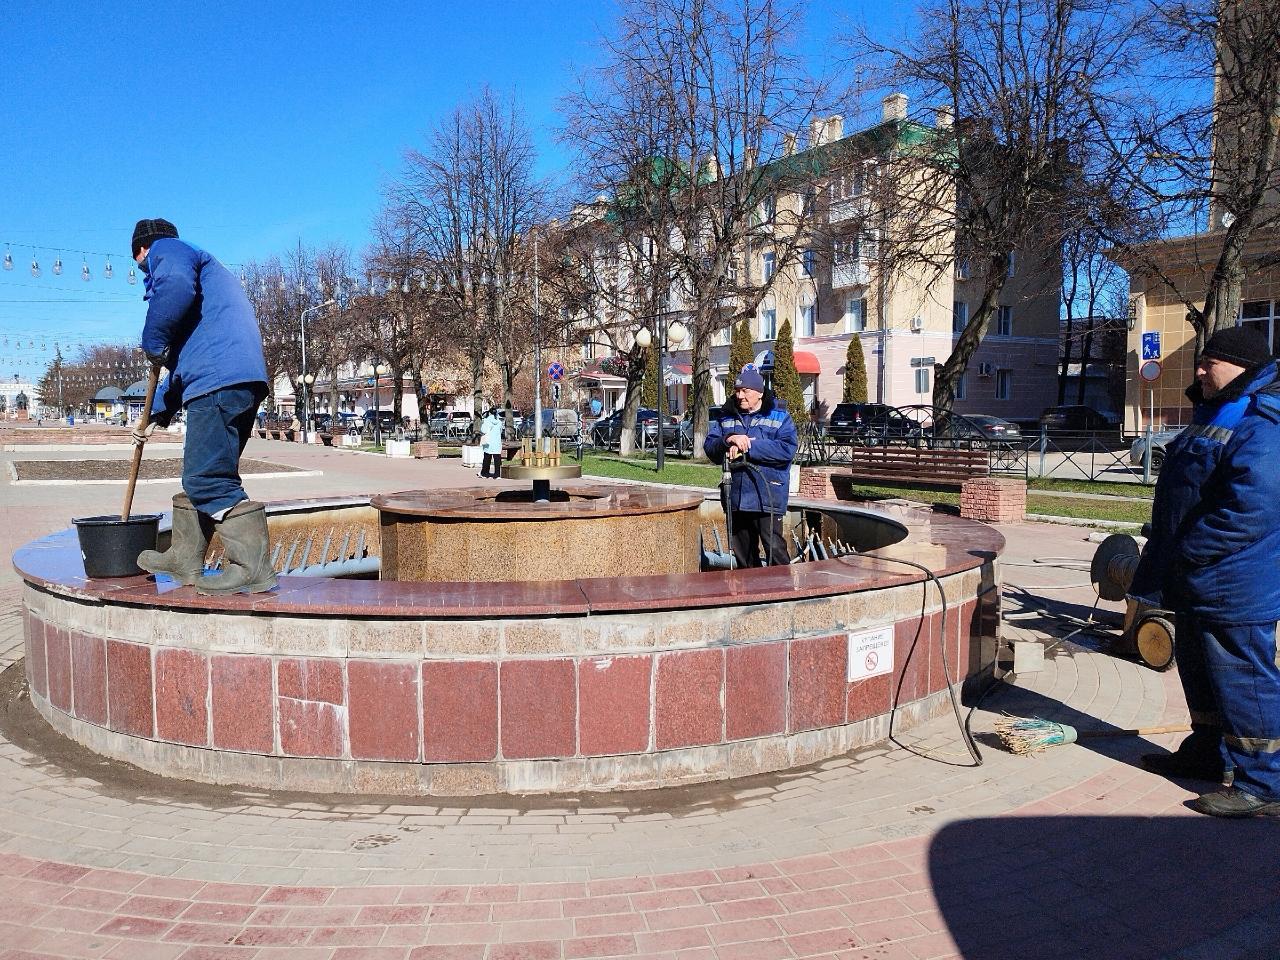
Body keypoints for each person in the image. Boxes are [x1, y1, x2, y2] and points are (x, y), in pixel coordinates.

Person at [1129, 326, 1280, 817]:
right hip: (1199, 577)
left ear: (1239, 366)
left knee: (1244, 680)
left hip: (1235, 580)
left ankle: (1263, 786)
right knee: (1199, 670)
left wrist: (1188, 549)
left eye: (1208, 362)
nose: (1198, 370)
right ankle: (1207, 755)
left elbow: (1252, 508)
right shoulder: (1217, 410)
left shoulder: (1264, 420)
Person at [127, 218, 276, 595]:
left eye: (139, 260)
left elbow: (172, 286)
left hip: (219, 382)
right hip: (233, 379)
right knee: (206, 473)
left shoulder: (170, 251)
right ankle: (184, 558)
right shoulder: (205, 289)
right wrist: (158, 413)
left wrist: (154, 336)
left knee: (207, 479)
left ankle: (252, 568)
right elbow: (184, 364)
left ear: (143, 248)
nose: (143, 267)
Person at [703, 364, 797, 568]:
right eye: (737, 390)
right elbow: (710, 447)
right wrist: (729, 439)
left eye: (745, 391)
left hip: (768, 494)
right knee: (744, 555)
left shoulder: (779, 417)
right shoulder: (726, 416)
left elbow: (786, 449)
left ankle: (784, 594)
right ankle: (750, 595)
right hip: (737, 496)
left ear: (759, 393)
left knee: (775, 549)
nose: (740, 396)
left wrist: (749, 446)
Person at [478, 407, 504, 479]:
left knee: (487, 458)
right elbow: (500, 431)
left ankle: (484, 473)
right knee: (497, 459)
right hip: (497, 442)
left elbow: (483, 430)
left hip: (488, 442)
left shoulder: (487, 420)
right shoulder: (499, 421)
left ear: (489, 412)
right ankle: (497, 474)